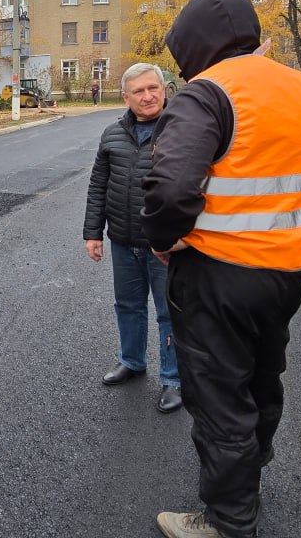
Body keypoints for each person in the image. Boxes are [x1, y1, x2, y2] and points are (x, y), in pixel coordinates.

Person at [141, 0, 301, 538]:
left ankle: (228, 522)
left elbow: (172, 188)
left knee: (219, 397)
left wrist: (163, 240)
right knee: (262, 379)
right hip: (286, 275)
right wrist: (290, 244)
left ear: (193, 47)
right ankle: (250, 474)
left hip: (217, 279)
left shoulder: (207, 94)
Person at [82, 62, 182, 414]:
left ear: (164, 89)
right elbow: (98, 186)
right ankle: (132, 361)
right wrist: (93, 233)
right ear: (126, 97)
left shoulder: (181, 130)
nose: (148, 96)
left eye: (153, 88)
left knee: (170, 313)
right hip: (123, 241)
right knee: (128, 306)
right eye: (138, 91)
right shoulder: (112, 134)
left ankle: (174, 380)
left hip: (167, 247)